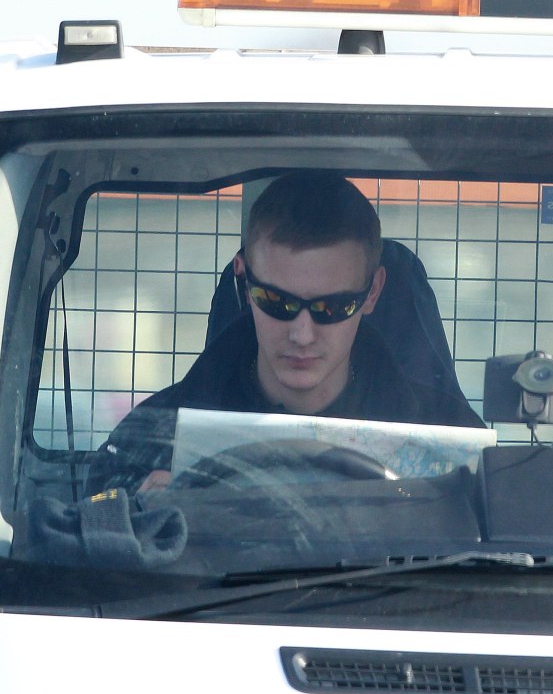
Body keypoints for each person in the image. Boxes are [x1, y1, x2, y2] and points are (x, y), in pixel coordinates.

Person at [88, 171, 483, 494]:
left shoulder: (454, 448)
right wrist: (138, 524)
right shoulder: (149, 444)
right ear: (244, 283)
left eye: (332, 307)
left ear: (372, 293)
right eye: (278, 302)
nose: (303, 334)